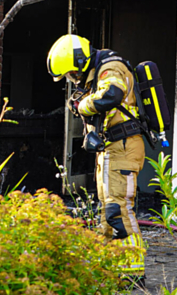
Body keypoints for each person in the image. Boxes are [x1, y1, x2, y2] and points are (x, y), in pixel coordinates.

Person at [47, 33, 146, 283]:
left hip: (123, 147)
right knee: (108, 211)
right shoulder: (96, 73)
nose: (72, 79)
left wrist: (82, 105)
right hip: (111, 148)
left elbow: (111, 95)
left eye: (72, 73)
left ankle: (133, 273)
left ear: (80, 62)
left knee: (119, 209)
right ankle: (108, 266)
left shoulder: (110, 68)